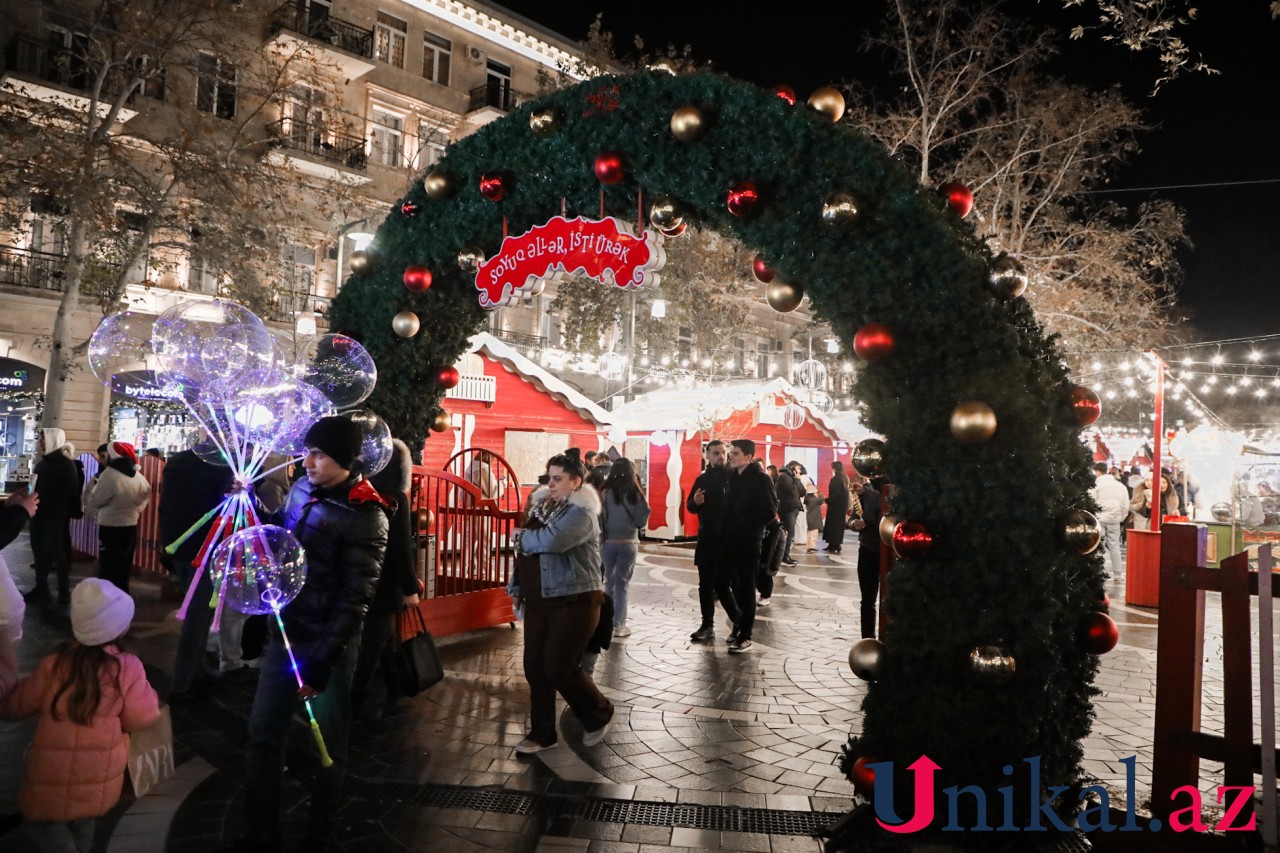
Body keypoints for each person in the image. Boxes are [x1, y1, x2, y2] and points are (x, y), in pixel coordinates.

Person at [239, 416, 390, 851]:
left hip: (327, 647)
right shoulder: (304, 489)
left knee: (327, 747)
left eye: (318, 454)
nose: (307, 461)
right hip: (285, 632)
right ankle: (260, 832)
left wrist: (323, 660)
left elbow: (355, 598)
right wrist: (254, 509)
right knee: (263, 735)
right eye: (307, 451)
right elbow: (285, 539)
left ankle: (319, 834)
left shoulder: (366, 513)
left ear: (342, 459)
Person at [0, 578, 160, 853]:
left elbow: (14, 706)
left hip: (50, 776)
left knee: (45, 826)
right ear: (121, 628)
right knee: (84, 823)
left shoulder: (56, 663)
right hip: (98, 778)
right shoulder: (127, 668)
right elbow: (142, 718)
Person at [509, 448, 614, 753]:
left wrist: (518, 536)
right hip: (540, 599)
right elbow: (525, 555)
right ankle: (543, 734)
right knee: (535, 667)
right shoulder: (542, 509)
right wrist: (517, 586)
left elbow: (551, 543)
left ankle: (599, 712)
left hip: (575, 600)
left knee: (559, 665)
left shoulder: (580, 514)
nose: (551, 484)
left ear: (576, 482)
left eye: (558, 479)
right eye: (549, 478)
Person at [352, 439, 422, 720]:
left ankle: (397, 687)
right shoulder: (395, 497)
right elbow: (400, 547)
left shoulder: (358, 493)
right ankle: (355, 699)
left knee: (385, 639)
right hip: (384, 585)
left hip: (360, 580)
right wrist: (409, 587)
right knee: (372, 644)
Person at [716, 439, 779, 654]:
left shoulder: (761, 479)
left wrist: (746, 524)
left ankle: (745, 636)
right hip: (728, 540)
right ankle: (738, 621)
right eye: (731, 452)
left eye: (735, 453)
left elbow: (770, 512)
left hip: (748, 541)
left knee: (746, 589)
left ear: (748, 457)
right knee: (720, 582)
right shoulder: (732, 478)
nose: (731, 456)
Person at [685, 440, 736, 643]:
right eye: (715, 453)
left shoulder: (734, 478)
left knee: (726, 585)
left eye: (723, 452)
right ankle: (707, 625)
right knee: (705, 585)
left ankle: (738, 622)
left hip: (729, 540)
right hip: (707, 539)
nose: (720, 456)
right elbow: (690, 506)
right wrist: (694, 503)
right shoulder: (702, 479)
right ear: (707, 455)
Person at [84, 442, 151, 594]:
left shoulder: (109, 475)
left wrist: (94, 510)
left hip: (110, 525)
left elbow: (98, 499)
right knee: (124, 563)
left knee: (109, 564)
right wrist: (137, 510)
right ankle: (123, 593)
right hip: (130, 525)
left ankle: (107, 596)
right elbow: (146, 493)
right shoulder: (138, 475)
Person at [25, 428, 80, 605]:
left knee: (58, 552)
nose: (41, 442)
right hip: (39, 514)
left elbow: (71, 491)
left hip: (55, 516)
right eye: (40, 439)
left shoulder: (65, 464)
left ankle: (63, 589)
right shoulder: (43, 463)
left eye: (44, 439)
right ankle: (41, 586)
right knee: (39, 551)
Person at [599, 458, 650, 638]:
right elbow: (642, 519)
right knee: (622, 584)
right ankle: (620, 625)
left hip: (608, 543)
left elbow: (599, 517)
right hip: (629, 544)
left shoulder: (604, 492)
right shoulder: (635, 493)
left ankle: (605, 622)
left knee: (609, 583)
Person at [848, 475, 883, 638]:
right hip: (868, 549)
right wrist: (854, 524)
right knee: (868, 600)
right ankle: (868, 638)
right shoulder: (864, 493)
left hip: (892, 551)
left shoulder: (871, 493)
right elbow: (854, 517)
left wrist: (866, 491)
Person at [1090, 461, 1131, 578]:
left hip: (1099, 520)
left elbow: (1091, 502)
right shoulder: (1120, 486)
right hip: (1114, 520)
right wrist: (1120, 518)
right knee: (1114, 546)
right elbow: (1125, 506)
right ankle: (1117, 574)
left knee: (1098, 545)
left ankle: (1098, 572)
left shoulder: (1096, 486)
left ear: (1097, 472)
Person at [775, 462, 803, 566]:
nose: (799, 471)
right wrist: (797, 480)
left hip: (793, 508)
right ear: (792, 468)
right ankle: (783, 557)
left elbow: (802, 491)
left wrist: (797, 480)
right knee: (789, 533)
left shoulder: (791, 478)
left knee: (790, 533)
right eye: (798, 468)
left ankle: (785, 556)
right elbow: (793, 491)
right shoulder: (784, 477)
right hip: (788, 509)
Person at [823, 460, 851, 554]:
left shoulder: (836, 478)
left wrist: (827, 500)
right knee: (838, 526)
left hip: (835, 506)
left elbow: (835, 493)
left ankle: (833, 544)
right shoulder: (844, 477)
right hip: (841, 506)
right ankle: (835, 544)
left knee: (833, 526)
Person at [803, 482, 823, 553]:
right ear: (813, 493)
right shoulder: (814, 500)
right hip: (814, 519)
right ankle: (811, 547)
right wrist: (819, 493)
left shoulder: (808, 499)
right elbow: (822, 499)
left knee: (810, 533)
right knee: (814, 534)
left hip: (810, 518)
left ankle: (809, 546)